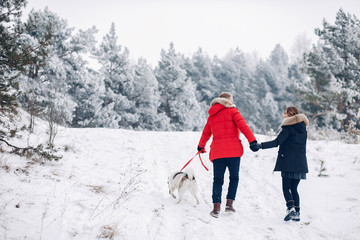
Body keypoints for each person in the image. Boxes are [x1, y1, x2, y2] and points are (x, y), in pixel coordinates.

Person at [197, 92, 259, 218]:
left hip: (218, 152)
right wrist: (252, 141)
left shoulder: (212, 116)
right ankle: (229, 205)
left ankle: (216, 208)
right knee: (234, 178)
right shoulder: (233, 112)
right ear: (228, 101)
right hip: (233, 151)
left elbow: (206, 133)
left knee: (218, 180)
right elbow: (244, 127)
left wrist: (201, 146)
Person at [252, 106, 309, 221]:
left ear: (291, 114)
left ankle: (291, 208)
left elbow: (276, 142)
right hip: (300, 163)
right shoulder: (303, 129)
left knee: (286, 187)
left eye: (285, 113)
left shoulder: (288, 129)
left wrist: (260, 146)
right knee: (294, 189)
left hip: (288, 162)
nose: (284, 115)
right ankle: (297, 213)